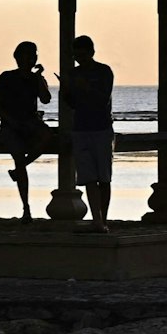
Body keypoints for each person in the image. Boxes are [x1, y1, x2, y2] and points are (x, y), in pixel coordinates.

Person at [0, 40, 54, 220]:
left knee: (48, 136)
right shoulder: (6, 77)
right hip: (11, 125)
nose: (31, 58)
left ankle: (20, 169)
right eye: (28, 54)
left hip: (31, 124)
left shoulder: (36, 79)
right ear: (18, 57)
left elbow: (46, 99)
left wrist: (39, 77)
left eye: (34, 54)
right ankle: (26, 207)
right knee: (19, 157)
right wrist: (11, 121)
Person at [62, 33, 117, 231]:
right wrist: (67, 90)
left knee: (103, 177)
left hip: (101, 128)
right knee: (88, 177)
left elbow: (103, 99)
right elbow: (71, 104)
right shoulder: (73, 74)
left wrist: (85, 88)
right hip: (81, 128)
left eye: (83, 55)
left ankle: (104, 219)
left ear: (92, 53)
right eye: (77, 56)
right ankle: (96, 219)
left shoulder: (104, 72)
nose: (80, 60)